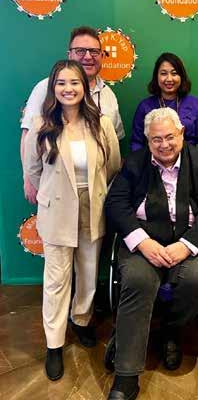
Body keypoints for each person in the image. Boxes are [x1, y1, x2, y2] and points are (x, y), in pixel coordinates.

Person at [104, 108, 198, 400]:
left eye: (170, 137)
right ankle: (126, 376)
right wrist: (142, 242)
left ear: (181, 134)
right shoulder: (134, 164)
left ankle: (170, 329)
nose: (164, 145)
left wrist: (186, 245)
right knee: (138, 280)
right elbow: (116, 204)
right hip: (145, 240)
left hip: (192, 240)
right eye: (156, 139)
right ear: (147, 140)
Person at [23, 60, 121, 381]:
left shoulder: (101, 123)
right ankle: (54, 343)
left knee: (88, 273)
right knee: (56, 279)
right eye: (61, 83)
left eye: (74, 82)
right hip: (57, 210)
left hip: (92, 206)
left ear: (85, 87)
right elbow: (33, 170)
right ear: (53, 88)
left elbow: (113, 165)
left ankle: (81, 320)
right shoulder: (41, 125)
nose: (68, 89)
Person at [21, 26, 125, 204]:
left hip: (95, 198)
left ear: (101, 56)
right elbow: (28, 136)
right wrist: (29, 179)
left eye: (94, 51)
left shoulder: (109, 95)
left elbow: (114, 154)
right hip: (56, 196)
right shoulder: (46, 88)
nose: (88, 57)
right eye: (80, 51)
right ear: (69, 55)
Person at [130, 52, 198, 153]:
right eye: (163, 73)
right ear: (156, 76)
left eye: (174, 73)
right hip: (153, 161)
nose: (169, 79)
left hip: (190, 161)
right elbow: (137, 142)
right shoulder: (145, 106)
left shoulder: (195, 104)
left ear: (181, 76)